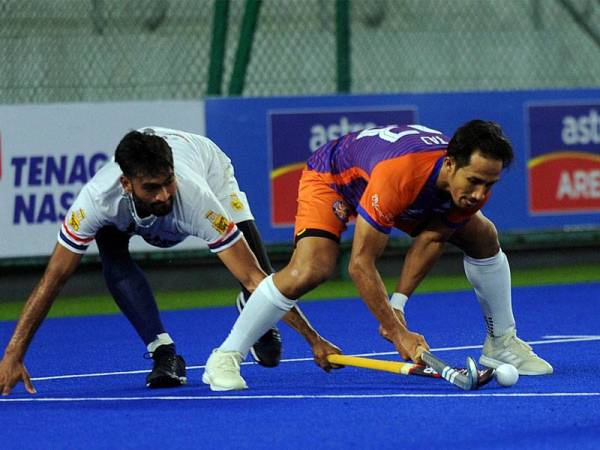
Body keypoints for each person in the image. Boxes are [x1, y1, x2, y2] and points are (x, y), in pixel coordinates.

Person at [203, 120, 553, 391]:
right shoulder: (400, 176)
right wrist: (396, 332)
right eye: (474, 181)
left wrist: (398, 305)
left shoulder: (470, 186)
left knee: (484, 236)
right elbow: (359, 264)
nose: (479, 194)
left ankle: (501, 342)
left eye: (489, 185)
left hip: (397, 186)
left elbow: (432, 239)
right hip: (333, 178)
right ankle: (226, 355)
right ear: (449, 165)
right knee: (311, 268)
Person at [0, 127, 340, 395]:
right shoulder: (98, 201)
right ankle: (163, 351)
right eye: (151, 188)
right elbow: (54, 277)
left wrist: (314, 339)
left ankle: (251, 309)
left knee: (256, 279)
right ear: (126, 183)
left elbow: (255, 277)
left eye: (167, 183)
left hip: (211, 167)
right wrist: (13, 354)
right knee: (111, 248)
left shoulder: (196, 197)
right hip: (122, 212)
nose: (163, 195)